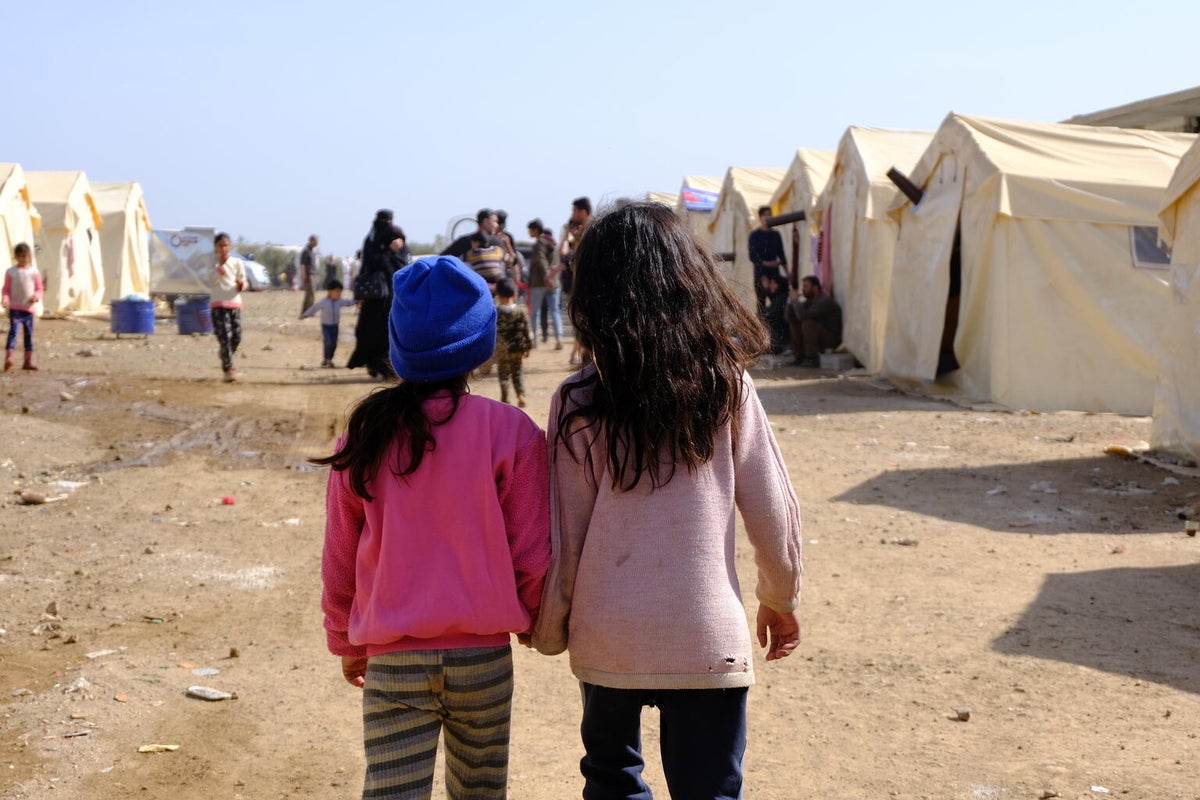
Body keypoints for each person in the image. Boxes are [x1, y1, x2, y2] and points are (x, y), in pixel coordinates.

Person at [532, 202, 803, 800]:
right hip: (707, 635)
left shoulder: (578, 399)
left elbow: (563, 534)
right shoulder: (727, 385)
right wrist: (779, 597)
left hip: (609, 635)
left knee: (611, 780)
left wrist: (551, 626)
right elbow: (772, 510)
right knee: (710, 790)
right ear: (692, 282)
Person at [313, 254, 550, 800]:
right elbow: (533, 550)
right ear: (479, 344)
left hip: (392, 659)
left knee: (392, 791)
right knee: (481, 791)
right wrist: (536, 620)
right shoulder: (510, 431)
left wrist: (342, 636)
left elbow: (340, 554)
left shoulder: (364, 435)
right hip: (483, 659)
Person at [347, 210, 409, 380]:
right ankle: (380, 366)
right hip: (380, 296)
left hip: (383, 296)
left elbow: (401, 262)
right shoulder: (375, 240)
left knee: (383, 332)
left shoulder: (378, 238)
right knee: (379, 332)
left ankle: (384, 366)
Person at [209, 232, 248, 383]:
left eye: (226, 245)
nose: (224, 248)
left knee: (237, 337)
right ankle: (228, 369)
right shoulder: (212, 263)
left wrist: (241, 285)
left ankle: (225, 353)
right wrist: (220, 266)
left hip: (234, 303)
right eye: (220, 245)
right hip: (218, 304)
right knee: (225, 336)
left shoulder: (237, 262)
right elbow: (211, 280)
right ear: (216, 247)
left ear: (230, 247)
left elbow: (243, 281)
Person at [560, 197, 592, 366]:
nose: (572, 214)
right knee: (578, 319)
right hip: (577, 283)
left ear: (583, 212)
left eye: (574, 211)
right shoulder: (577, 233)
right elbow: (563, 252)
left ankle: (578, 354)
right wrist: (568, 234)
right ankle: (576, 353)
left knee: (582, 320)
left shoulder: (594, 230)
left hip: (589, 283)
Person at [786, 274, 843, 368]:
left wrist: (796, 301)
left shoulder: (824, 301)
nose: (803, 289)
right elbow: (789, 318)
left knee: (808, 324)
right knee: (795, 325)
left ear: (815, 288)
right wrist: (790, 302)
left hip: (832, 338)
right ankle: (799, 358)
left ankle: (812, 359)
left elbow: (803, 316)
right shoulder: (810, 301)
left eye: (806, 286)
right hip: (819, 336)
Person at [2, 243, 43, 372]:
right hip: (15, 308)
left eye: (24, 256)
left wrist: (36, 296)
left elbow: (39, 288)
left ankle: (27, 361)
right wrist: (5, 299)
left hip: (28, 310)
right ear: (15, 257)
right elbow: (6, 289)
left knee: (28, 335)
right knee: (13, 332)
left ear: (29, 256)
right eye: (19, 256)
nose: (22, 259)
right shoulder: (11, 272)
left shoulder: (34, 272)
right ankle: (9, 358)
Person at [300, 279, 357, 368]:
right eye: (337, 291)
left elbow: (348, 302)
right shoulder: (324, 302)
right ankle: (326, 359)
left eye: (340, 292)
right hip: (326, 326)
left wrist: (357, 301)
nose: (339, 294)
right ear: (330, 291)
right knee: (328, 342)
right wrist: (304, 315)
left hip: (335, 326)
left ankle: (329, 359)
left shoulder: (340, 301)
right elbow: (314, 308)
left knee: (334, 344)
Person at [494, 277, 532, 407]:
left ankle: (505, 399)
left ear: (498, 295)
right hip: (518, 347)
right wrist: (528, 346)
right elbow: (527, 329)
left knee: (503, 374)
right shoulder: (521, 310)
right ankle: (521, 395)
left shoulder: (496, 312)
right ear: (515, 294)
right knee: (517, 371)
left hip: (502, 349)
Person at [526, 218, 562, 349]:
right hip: (555, 283)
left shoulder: (539, 243)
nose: (528, 232)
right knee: (555, 311)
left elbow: (541, 260)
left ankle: (534, 340)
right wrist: (553, 279)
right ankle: (559, 338)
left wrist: (547, 278)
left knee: (535, 312)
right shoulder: (553, 243)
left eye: (529, 230)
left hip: (539, 283)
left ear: (535, 230)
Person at [748, 205, 786, 321]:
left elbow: (781, 253)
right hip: (760, 273)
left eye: (769, 215)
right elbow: (753, 257)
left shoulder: (775, 235)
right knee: (761, 305)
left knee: (778, 304)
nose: (767, 217)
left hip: (775, 275)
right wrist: (767, 264)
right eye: (765, 215)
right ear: (760, 218)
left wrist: (788, 271)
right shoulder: (754, 235)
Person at [760, 269, 791, 355]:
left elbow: (770, 313)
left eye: (773, 283)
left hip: (780, 335)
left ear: (780, 285)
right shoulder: (780, 297)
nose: (771, 286)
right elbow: (773, 299)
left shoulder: (781, 298)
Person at [299, 234, 320, 315]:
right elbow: (302, 264)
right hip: (308, 275)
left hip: (312, 274)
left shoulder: (311, 251)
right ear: (311, 241)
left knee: (310, 294)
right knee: (310, 294)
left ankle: (306, 311)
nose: (317, 243)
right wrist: (303, 275)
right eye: (316, 241)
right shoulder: (306, 251)